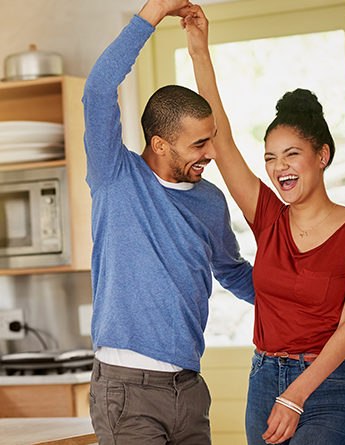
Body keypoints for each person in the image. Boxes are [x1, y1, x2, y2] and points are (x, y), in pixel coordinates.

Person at [182, 5, 345, 445]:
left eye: (292, 154)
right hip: (263, 380)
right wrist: (199, 48)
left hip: (331, 386)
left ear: (323, 155)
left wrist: (296, 395)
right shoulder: (268, 218)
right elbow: (220, 140)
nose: (280, 168)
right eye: (270, 158)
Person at [82, 1, 255, 443]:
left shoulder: (210, 201)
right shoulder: (115, 176)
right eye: (200, 144)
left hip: (190, 389)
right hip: (126, 390)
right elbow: (99, 91)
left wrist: (301, 300)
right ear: (160, 144)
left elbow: (234, 272)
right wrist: (153, 13)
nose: (211, 153)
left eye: (211, 140)